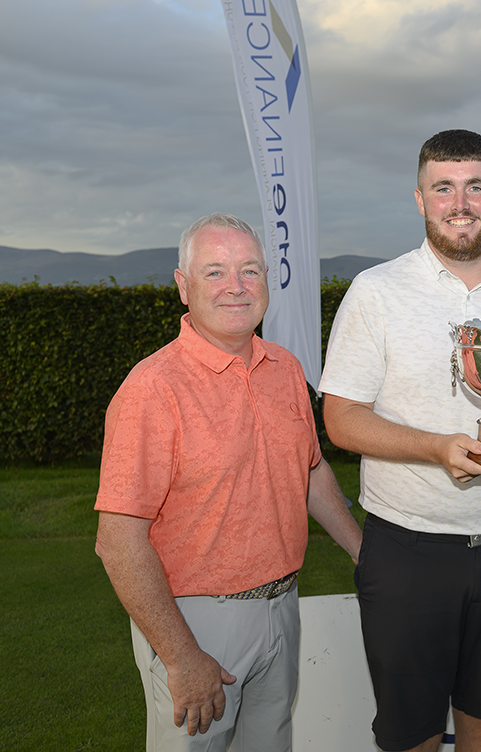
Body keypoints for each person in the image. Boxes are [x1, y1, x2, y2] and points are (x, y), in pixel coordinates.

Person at [319, 129, 481, 752]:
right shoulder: (376, 290)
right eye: (444, 188)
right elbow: (341, 419)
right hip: (411, 551)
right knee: (413, 738)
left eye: (475, 187)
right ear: (420, 199)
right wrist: (437, 447)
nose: (460, 202)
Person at [95, 213, 362, 751]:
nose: (236, 287)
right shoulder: (153, 389)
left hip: (283, 607)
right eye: (215, 272)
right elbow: (118, 540)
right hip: (195, 625)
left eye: (249, 271)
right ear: (182, 286)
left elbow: (308, 472)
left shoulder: (284, 368)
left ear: (267, 280)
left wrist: (364, 552)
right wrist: (180, 655)